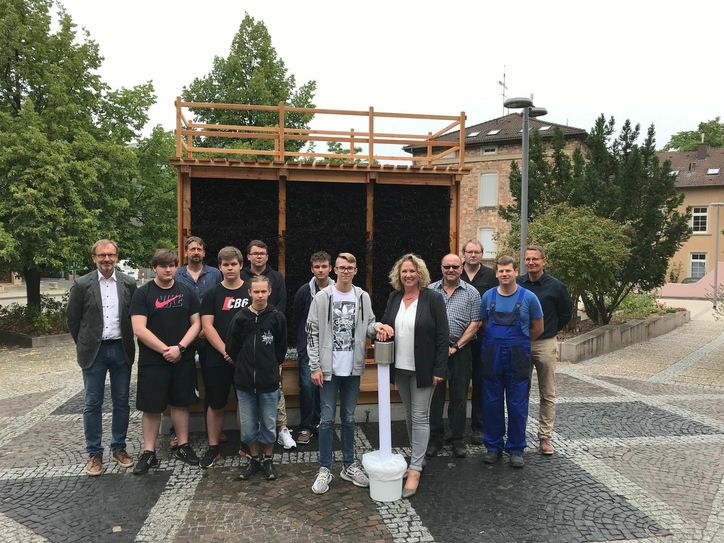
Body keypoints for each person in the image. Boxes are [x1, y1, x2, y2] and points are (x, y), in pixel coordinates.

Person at [376, 254, 448, 498]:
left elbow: (442, 335)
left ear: (420, 274)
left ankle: (415, 468)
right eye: (404, 271)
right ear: (399, 274)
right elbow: (386, 323)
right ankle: (418, 457)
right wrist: (381, 327)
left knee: (419, 416)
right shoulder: (394, 297)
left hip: (424, 368)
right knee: (409, 414)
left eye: (412, 271)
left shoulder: (433, 298)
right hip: (400, 367)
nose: (408, 275)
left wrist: (439, 369)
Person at [307, 253, 377, 494]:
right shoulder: (322, 297)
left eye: (350, 268)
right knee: (326, 420)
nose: (345, 271)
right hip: (328, 370)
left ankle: (349, 465)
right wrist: (315, 366)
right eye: (341, 267)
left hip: (352, 369)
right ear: (334, 270)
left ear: (355, 271)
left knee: (348, 418)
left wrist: (378, 327)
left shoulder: (362, 296)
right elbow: (312, 332)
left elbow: (369, 325)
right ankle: (325, 468)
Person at [67, 239, 137, 476]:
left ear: (117, 257)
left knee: (122, 401)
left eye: (111, 255)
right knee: (92, 403)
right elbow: (73, 320)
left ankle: (119, 448)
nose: (107, 259)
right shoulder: (82, 284)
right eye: (102, 255)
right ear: (94, 258)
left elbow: (134, 317)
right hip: (94, 352)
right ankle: (94, 454)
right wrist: (85, 343)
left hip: (120, 349)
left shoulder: (129, 283)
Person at [130, 249, 201, 474]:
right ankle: (149, 452)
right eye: (163, 266)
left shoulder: (187, 291)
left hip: (182, 358)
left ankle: (183, 445)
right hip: (153, 360)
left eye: (171, 265)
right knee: (151, 407)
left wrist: (180, 348)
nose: (168, 270)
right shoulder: (143, 294)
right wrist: (165, 350)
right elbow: (139, 328)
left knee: (181, 403)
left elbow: (196, 323)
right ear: (155, 268)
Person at [480, 256, 543, 468]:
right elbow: (484, 323)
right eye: (501, 271)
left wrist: (521, 343)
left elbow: (538, 328)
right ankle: (493, 447)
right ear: (496, 273)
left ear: (516, 272)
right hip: (492, 356)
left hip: (518, 357)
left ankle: (516, 449)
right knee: (491, 402)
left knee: (517, 404)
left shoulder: (529, 298)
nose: (504, 274)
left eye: (508, 270)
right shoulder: (488, 297)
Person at [226, 275, 287, 481]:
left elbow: (281, 349)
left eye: (263, 291)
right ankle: (253, 459)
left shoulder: (277, 317)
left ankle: (268, 459)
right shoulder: (240, 318)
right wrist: (243, 365)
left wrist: (270, 366)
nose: (260, 295)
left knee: (269, 424)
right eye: (256, 292)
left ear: (269, 292)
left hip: (268, 382)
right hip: (244, 383)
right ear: (250, 293)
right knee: (248, 427)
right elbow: (231, 347)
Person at [198, 246, 251, 468]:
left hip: (245, 358)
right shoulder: (212, 294)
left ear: (241, 265)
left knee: (245, 403)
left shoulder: (251, 291)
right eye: (225, 264)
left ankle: (246, 445)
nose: (230, 268)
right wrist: (225, 351)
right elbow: (207, 326)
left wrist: (239, 352)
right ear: (219, 267)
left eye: (233, 264)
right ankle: (213, 448)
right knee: (215, 402)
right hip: (217, 357)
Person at [240, 239, 295, 450]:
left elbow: (281, 307)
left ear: (267, 256)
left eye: (262, 253)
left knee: (275, 389)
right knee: (247, 396)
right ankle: (250, 440)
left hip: (270, 343)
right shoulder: (242, 277)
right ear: (248, 256)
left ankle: (282, 429)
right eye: (255, 253)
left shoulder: (276, 278)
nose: (258, 256)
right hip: (247, 346)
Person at [518, 245, 572, 455]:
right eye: (528, 259)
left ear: (544, 261)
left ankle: (545, 437)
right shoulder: (518, 283)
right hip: (522, 342)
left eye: (535, 259)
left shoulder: (556, 287)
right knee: (519, 391)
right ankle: (518, 435)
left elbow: (565, 314)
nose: (531, 262)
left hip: (545, 343)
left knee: (547, 392)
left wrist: (550, 330)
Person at [426, 254, 481, 459]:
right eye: (447, 266)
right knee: (435, 397)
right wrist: (440, 347)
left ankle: (457, 439)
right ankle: (435, 439)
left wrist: (456, 346)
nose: (451, 270)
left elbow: (475, 323)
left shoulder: (472, 292)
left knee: (459, 396)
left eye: (455, 266)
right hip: (435, 351)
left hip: (461, 350)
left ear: (461, 268)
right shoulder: (430, 291)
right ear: (441, 268)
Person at [173, 236, 222, 448]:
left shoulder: (215, 274)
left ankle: (213, 429)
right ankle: (176, 432)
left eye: (199, 249)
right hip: (183, 335)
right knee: (181, 381)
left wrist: (205, 329)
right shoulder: (176, 274)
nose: (195, 252)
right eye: (192, 249)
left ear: (204, 252)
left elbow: (219, 301)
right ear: (185, 252)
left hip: (208, 335)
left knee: (211, 382)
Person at [292, 251, 334, 445]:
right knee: (308, 386)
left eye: (324, 266)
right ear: (312, 269)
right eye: (317, 267)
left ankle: (322, 424)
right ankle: (306, 427)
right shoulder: (303, 292)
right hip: (308, 347)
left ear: (330, 268)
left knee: (325, 386)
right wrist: (302, 345)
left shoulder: (338, 291)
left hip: (330, 347)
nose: (321, 270)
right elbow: (297, 319)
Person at [460, 240, 498, 445]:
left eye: (476, 252)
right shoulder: (455, 272)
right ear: (463, 254)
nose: (473, 255)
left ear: (482, 254)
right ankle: (456, 429)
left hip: (484, 339)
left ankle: (479, 427)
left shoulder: (491, 276)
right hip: (460, 340)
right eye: (469, 252)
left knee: (481, 384)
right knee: (459, 384)